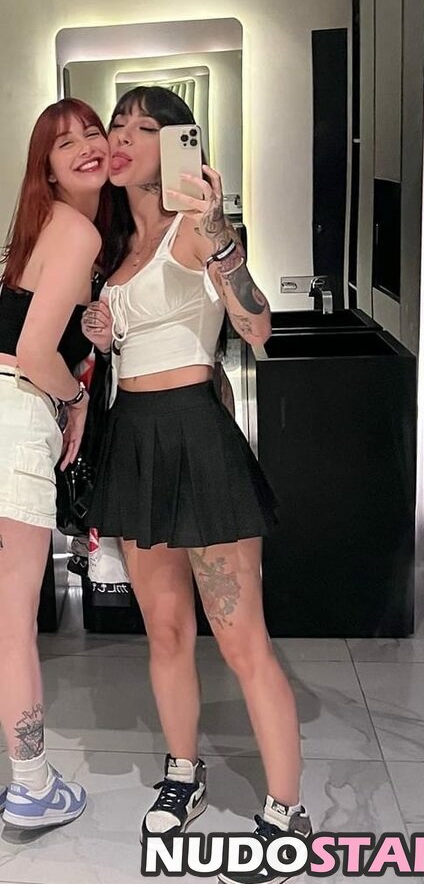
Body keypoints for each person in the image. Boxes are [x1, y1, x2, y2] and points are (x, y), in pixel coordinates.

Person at [82, 86, 311, 884]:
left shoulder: (195, 229)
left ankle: (287, 810)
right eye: (117, 123)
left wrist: (220, 237)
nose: (123, 136)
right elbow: (129, 342)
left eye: (145, 127)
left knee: (242, 639)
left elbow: (257, 328)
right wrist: (103, 332)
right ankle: (184, 773)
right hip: (136, 441)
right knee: (167, 633)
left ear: (179, 145)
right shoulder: (113, 249)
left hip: (197, 438)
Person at [0, 98, 110, 829]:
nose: (87, 147)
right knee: (13, 623)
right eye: (65, 143)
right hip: (15, 419)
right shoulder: (75, 230)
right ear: (46, 166)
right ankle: (33, 786)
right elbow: (35, 352)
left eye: (92, 132)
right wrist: (74, 401)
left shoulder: (44, 231)